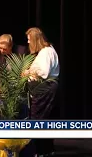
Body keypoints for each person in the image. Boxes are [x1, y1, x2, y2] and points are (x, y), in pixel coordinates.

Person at [22, 27, 59, 156]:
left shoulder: (45, 52)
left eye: (29, 40)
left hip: (44, 90)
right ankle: (47, 150)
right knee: (46, 119)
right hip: (46, 89)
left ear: (35, 40)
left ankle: (40, 151)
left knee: (38, 119)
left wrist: (28, 72)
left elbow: (43, 73)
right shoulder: (47, 50)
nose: (28, 43)